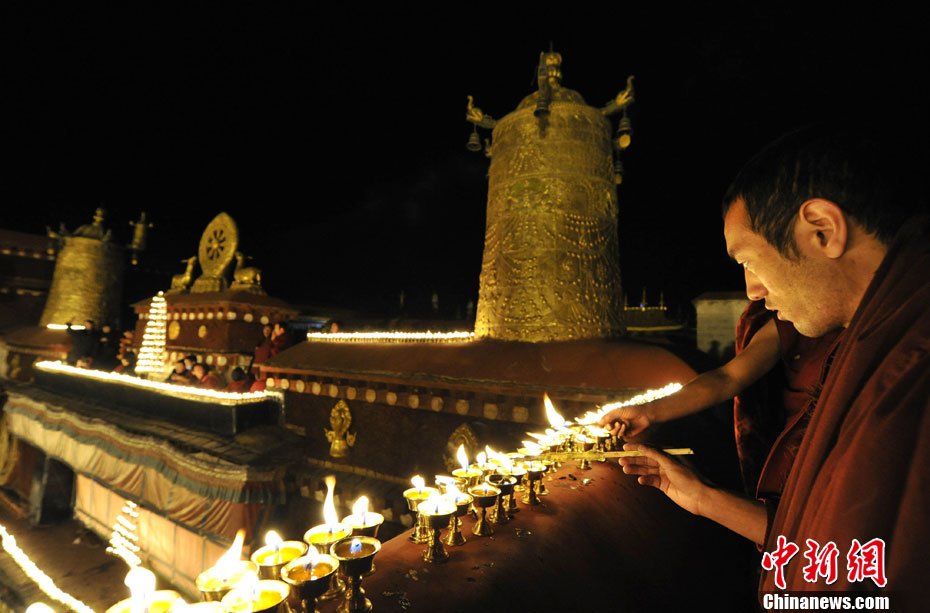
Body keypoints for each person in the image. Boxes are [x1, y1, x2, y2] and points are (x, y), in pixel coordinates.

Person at [614, 125, 928, 605]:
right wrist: (701, 497)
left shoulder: (908, 367)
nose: (753, 291)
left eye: (750, 261)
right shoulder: (870, 340)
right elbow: (834, 543)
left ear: (822, 229)